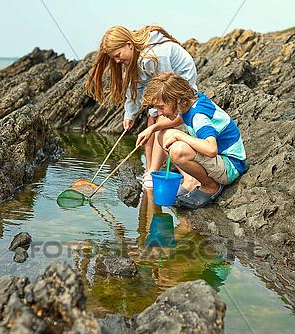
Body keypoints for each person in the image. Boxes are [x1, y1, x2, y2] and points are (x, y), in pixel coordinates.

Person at [86, 25, 198, 187]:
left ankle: (154, 172)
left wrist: (158, 110)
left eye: (118, 55)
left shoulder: (155, 55)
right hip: (165, 85)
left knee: (159, 119)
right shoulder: (136, 59)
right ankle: (149, 170)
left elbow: (166, 85)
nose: (117, 61)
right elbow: (136, 88)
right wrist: (129, 115)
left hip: (182, 85)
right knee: (151, 117)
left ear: (129, 45)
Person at [136, 72, 247, 209]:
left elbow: (211, 150)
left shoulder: (198, 116)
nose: (159, 112)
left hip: (230, 166)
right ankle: (192, 180)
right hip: (221, 161)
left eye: (161, 107)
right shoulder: (190, 102)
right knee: (162, 134)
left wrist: (180, 136)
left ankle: (210, 186)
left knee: (178, 150)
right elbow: (181, 118)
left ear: (176, 100)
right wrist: (153, 128)